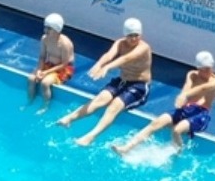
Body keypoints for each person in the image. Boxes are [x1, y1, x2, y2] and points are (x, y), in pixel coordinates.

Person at [56, 17, 153, 145]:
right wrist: (99, 64)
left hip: (139, 86)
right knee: (100, 99)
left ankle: (91, 136)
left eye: (136, 35)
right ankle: (70, 118)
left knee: (114, 106)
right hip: (122, 81)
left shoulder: (144, 48)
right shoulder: (120, 43)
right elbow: (109, 55)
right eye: (130, 36)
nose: (134, 39)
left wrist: (107, 67)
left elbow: (127, 58)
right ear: (125, 35)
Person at [117, 52, 215, 154]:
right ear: (198, 68)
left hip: (201, 114)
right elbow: (187, 87)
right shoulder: (192, 74)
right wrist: (183, 95)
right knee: (157, 122)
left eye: (209, 68)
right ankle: (126, 148)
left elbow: (203, 88)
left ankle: (179, 152)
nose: (207, 71)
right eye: (204, 69)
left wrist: (184, 95)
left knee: (177, 130)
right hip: (186, 109)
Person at [26, 12, 74, 107]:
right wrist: (40, 70)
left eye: (49, 29)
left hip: (63, 69)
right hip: (49, 65)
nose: (46, 31)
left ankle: (45, 106)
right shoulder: (45, 39)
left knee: (45, 83)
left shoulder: (65, 44)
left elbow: (65, 63)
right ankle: (30, 101)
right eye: (45, 27)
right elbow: (42, 57)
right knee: (31, 78)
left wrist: (46, 72)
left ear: (57, 30)